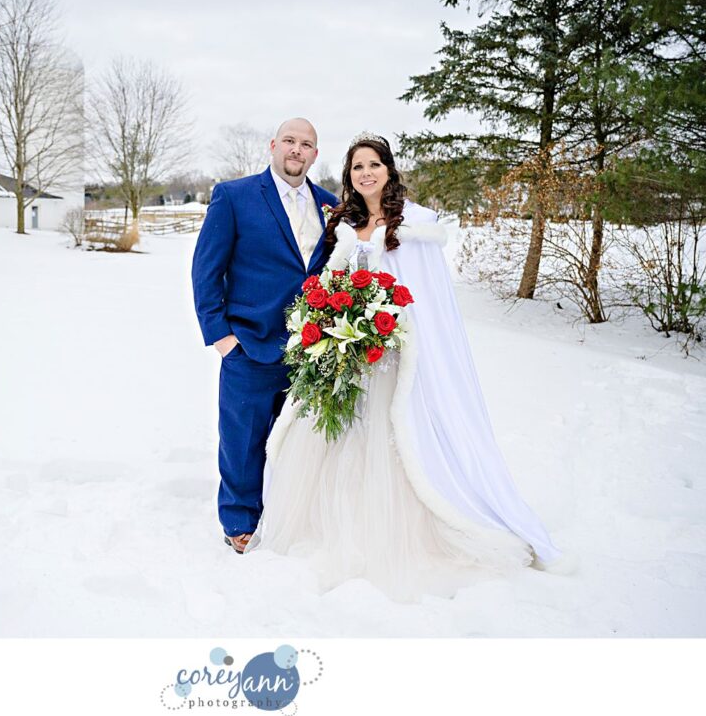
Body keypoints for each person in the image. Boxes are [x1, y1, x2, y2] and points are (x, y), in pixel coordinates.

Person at [251, 132, 576, 601]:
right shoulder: (344, 224)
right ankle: (338, 529)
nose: (366, 173)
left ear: (388, 170)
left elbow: (429, 300)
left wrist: (388, 329)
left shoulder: (416, 225)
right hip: (349, 357)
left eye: (374, 165)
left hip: (395, 358)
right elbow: (333, 281)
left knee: (392, 443)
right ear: (349, 176)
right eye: (357, 167)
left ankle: (403, 531)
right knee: (339, 440)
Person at [191, 118, 340, 554]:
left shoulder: (331, 206)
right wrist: (222, 337)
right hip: (248, 347)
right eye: (289, 141)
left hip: (310, 349)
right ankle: (239, 519)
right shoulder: (233, 197)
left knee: (298, 440)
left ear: (315, 154)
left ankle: (289, 514)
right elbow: (205, 271)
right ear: (273, 146)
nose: (297, 149)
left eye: (307, 144)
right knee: (242, 441)